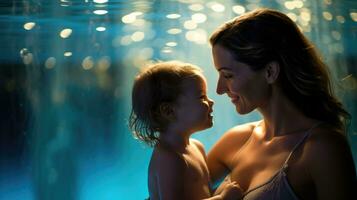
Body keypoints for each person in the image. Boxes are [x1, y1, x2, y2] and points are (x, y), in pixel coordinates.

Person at [207, 8, 357, 200]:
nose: (219, 89)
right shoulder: (236, 140)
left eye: (227, 75)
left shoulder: (322, 149)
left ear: (270, 72)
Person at [129, 61, 243, 200]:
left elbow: (200, 194)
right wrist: (223, 198)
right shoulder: (169, 159)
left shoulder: (197, 147)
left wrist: (219, 191)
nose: (211, 101)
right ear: (169, 111)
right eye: (202, 97)